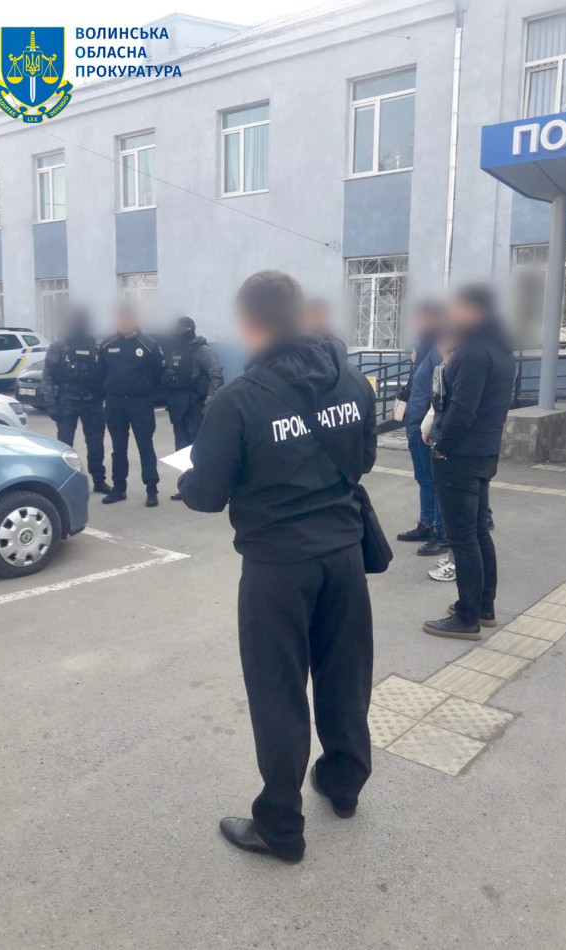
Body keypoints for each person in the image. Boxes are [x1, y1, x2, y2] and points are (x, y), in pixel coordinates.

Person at [179, 270, 377, 864]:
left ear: (249, 323)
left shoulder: (238, 399)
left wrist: (188, 477)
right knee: (345, 675)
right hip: (344, 556)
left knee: (278, 691)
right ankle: (343, 784)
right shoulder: (353, 381)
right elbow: (364, 458)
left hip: (277, 568)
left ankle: (281, 828)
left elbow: (207, 495)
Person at [423, 284, 515, 639]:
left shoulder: (474, 352)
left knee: (462, 538)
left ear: (475, 311)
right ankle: (483, 607)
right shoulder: (499, 349)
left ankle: (467, 617)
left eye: (457, 308)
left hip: (459, 457)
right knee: (477, 532)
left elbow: (462, 408)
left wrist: (441, 446)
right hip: (483, 452)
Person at [97, 305, 165, 508]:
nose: (124, 323)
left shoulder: (148, 345)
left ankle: (151, 489)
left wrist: (144, 388)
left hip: (140, 403)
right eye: (120, 319)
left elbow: (158, 373)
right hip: (115, 403)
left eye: (127, 319)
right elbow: (100, 373)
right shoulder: (107, 344)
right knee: (118, 448)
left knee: (145, 446)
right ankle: (119, 488)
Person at [396, 301, 448, 557]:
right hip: (414, 423)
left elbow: (440, 391)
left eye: (421, 319)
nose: (416, 324)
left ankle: (441, 532)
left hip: (427, 426)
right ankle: (426, 524)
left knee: (435, 481)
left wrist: (430, 425)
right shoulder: (424, 348)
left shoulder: (440, 350)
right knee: (423, 478)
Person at [41, 307, 111, 495]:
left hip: (93, 402)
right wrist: (51, 404)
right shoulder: (59, 346)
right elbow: (47, 375)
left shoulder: (96, 345)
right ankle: (64, 483)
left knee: (96, 445)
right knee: (64, 446)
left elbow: (106, 372)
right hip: (67, 402)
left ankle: (99, 480)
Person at [163, 316, 223, 500]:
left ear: (190, 329)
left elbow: (216, 376)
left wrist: (208, 404)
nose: (176, 333)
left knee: (199, 449)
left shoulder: (202, 350)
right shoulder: (177, 350)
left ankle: (205, 488)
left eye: (180, 330)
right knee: (181, 449)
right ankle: (187, 487)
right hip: (178, 406)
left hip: (196, 406)